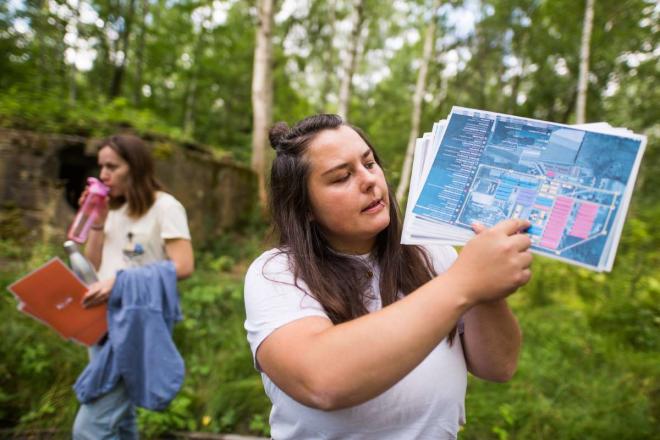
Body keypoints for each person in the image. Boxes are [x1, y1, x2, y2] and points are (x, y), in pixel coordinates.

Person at [244, 114, 532, 439]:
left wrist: (486, 288)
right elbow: (321, 381)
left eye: (369, 163)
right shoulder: (277, 273)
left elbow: (499, 367)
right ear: (304, 207)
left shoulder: (432, 252)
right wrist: (464, 283)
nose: (369, 181)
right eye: (341, 177)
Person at [72, 134, 194, 439]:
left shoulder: (165, 207)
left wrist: (120, 282)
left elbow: (183, 265)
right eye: (101, 167)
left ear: (136, 167)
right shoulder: (111, 209)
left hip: (137, 321)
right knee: (121, 420)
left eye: (112, 166)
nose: (103, 176)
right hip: (101, 320)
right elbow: (94, 266)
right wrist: (97, 221)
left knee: (90, 428)